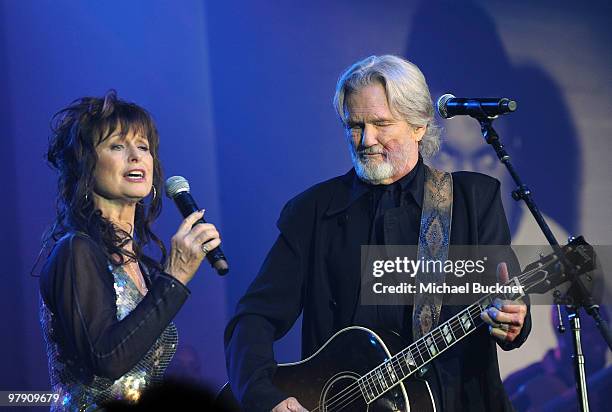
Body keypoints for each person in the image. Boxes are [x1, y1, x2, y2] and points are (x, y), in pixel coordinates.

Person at [224, 55, 531, 411]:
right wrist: (266, 398)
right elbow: (253, 319)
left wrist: (513, 320)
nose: (366, 139)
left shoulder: (472, 201)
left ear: (419, 126)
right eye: (355, 125)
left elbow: (507, 302)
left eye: (381, 124)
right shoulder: (313, 212)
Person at [39, 90, 221, 410]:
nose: (136, 156)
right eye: (118, 146)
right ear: (86, 166)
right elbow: (106, 359)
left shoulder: (142, 267)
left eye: (143, 147)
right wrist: (175, 275)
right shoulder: (76, 251)